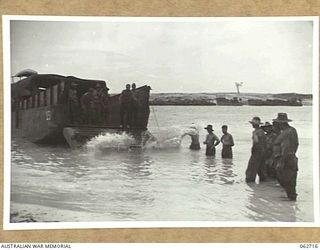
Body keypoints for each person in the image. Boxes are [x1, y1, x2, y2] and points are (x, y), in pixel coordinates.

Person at [273, 113, 299, 201]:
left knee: (285, 179)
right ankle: (292, 200)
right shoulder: (293, 130)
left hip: (285, 159)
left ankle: (291, 200)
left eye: (277, 123)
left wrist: (281, 161)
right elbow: (296, 144)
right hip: (292, 157)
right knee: (291, 179)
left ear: (281, 123)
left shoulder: (285, 133)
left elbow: (286, 149)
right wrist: (292, 153)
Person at [245, 116, 267, 183]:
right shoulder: (262, 132)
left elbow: (256, 141)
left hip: (257, 152)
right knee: (261, 169)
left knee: (251, 170)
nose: (252, 125)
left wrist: (254, 135)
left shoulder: (256, 132)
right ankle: (263, 187)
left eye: (252, 123)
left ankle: (251, 184)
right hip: (262, 152)